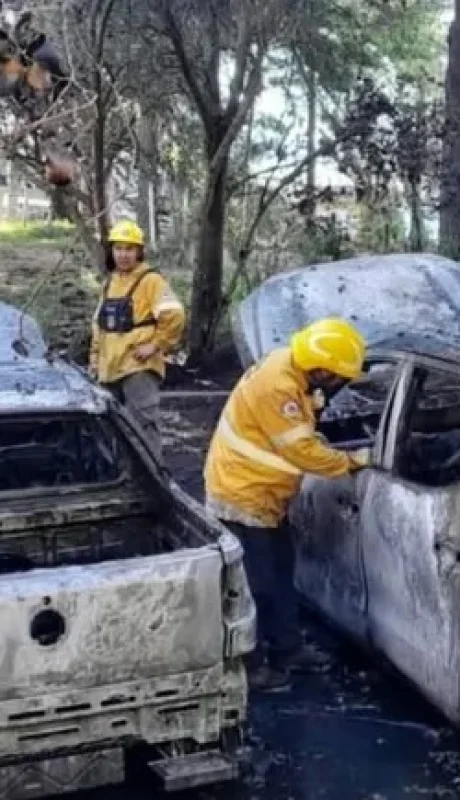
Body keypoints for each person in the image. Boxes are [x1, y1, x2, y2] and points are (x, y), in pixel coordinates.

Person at [204, 317, 371, 693]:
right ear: (322, 371)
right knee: (255, 586)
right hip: (243, 494)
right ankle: (252, 666)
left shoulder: (291, 366)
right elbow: (302, 451)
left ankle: (288, 649)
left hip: (264, 496)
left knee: (280, 574)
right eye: (339, 378)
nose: (340, 385)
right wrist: (351, 461)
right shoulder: (278, 387)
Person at [89, 220, 185, 464]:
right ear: (111, 250)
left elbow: (174, 314)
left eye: (129, 249)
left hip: (137, 368)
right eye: (118, 248)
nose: (123, 254)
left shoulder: (150, 281)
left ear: (139, 251)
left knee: (144, 426)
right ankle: (121, 474)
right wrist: (95, 360)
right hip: (109, 368)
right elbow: (99, 326)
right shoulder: (110, 282)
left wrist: (156, 345)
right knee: (111, 428)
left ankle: (153, 475)